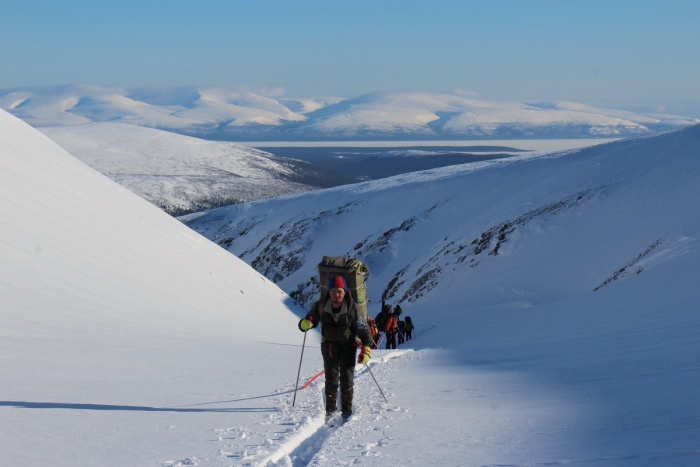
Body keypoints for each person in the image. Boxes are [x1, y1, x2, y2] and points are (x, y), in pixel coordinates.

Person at [298, 275, 374, 421]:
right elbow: (310, 320)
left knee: (347, 378)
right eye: (333, 291)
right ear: (329, 292)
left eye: (339, 291)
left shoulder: (353, 309)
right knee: (331, 378)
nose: (336, 295)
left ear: (345, 291)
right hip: (329, 347)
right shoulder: (321, 305)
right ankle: (330, 410)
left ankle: (346, 410)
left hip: (348, 347)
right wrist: (304, 324)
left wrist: (366, 350)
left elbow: (364, 331)